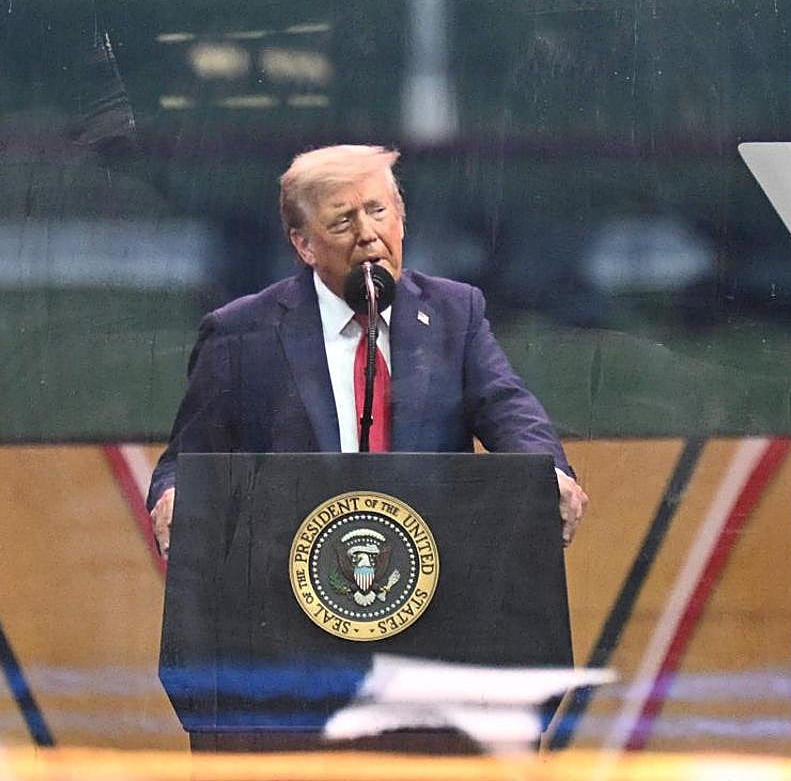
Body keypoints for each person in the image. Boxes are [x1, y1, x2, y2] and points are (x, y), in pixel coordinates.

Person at [147, 144, 588, 557]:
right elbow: (186, 462)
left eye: (378, 211)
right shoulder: (241, 334)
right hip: (291, 589)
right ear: (304, 245)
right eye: (342, 221)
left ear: (401, 218)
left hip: (432, 584)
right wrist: (175, 495)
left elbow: (508, 407)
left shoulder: (456, 312)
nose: (367, 234)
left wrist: (544, 471)